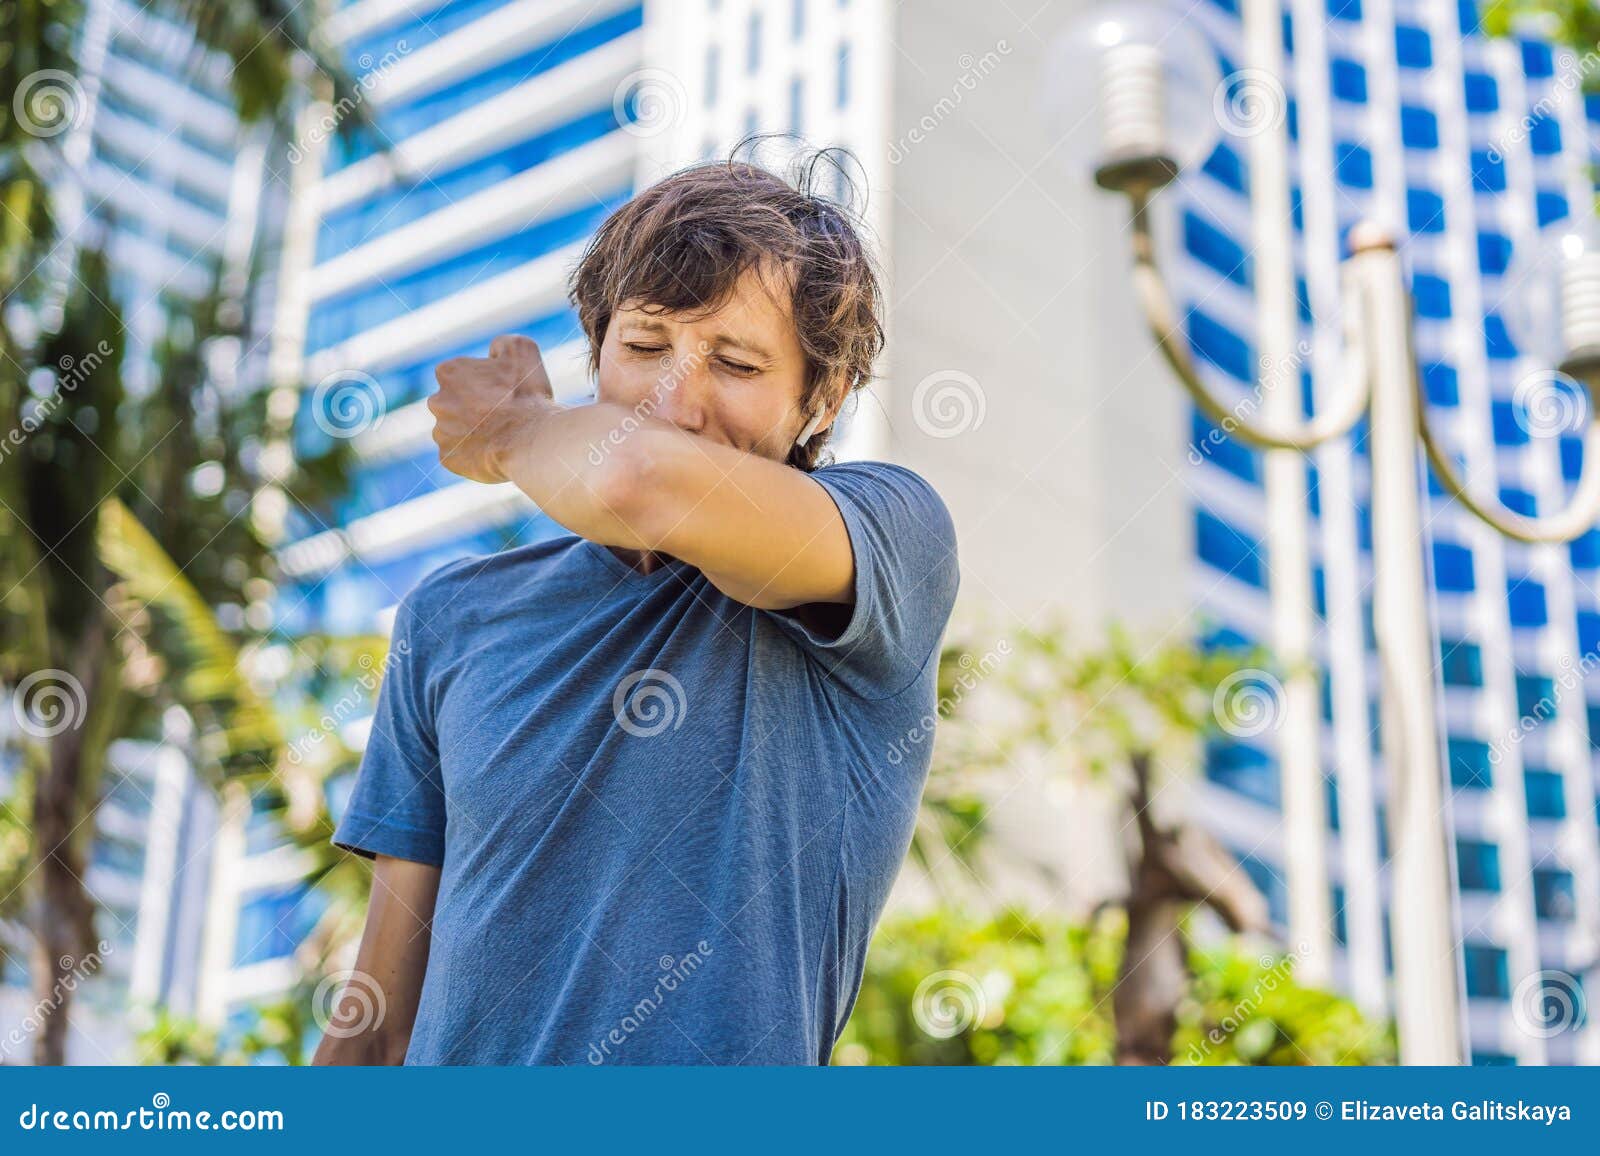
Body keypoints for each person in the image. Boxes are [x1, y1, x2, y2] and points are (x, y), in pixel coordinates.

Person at [313, 153, 960, 1065]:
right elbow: (378, 1017)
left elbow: (634, 476)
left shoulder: (887, 540)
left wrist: (510, 431)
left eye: (734, 362)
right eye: (645, 346)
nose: (673, 402)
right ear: (597, 350)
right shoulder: (451, 616)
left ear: (823, 399)